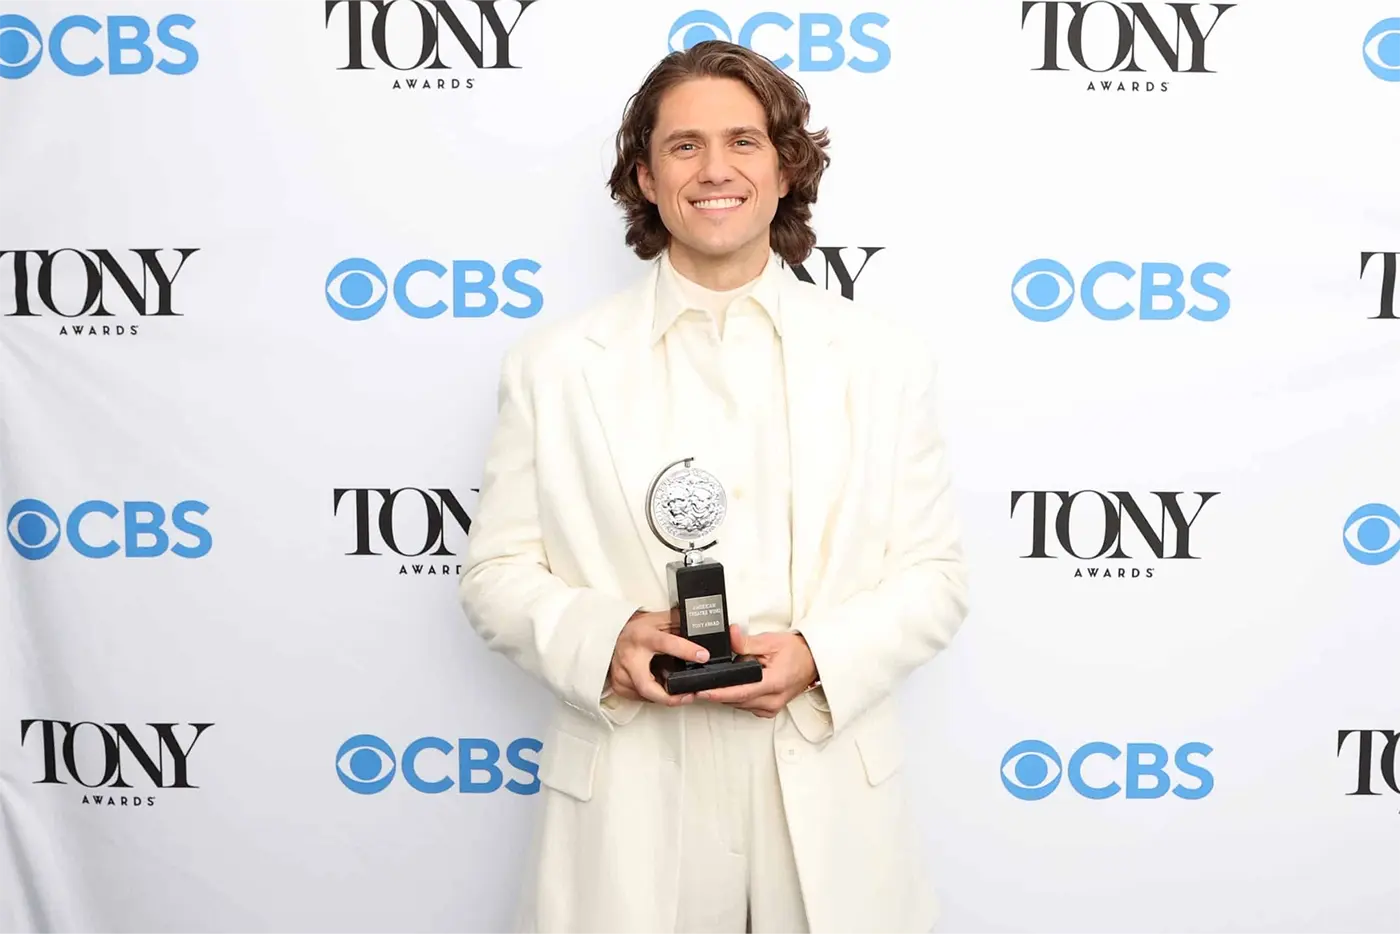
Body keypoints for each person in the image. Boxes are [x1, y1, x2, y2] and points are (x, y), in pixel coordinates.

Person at [458, 39, 969, 934]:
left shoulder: (885, 361)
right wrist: (605, 637)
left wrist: (818, 654)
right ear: (646, 178)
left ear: (784, 168)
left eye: (743, 141)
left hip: (820, 777)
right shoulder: (552, 367)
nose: (714, 169)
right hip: (630, 785)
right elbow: (495, 573)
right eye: (683, 145)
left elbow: (934, 577)